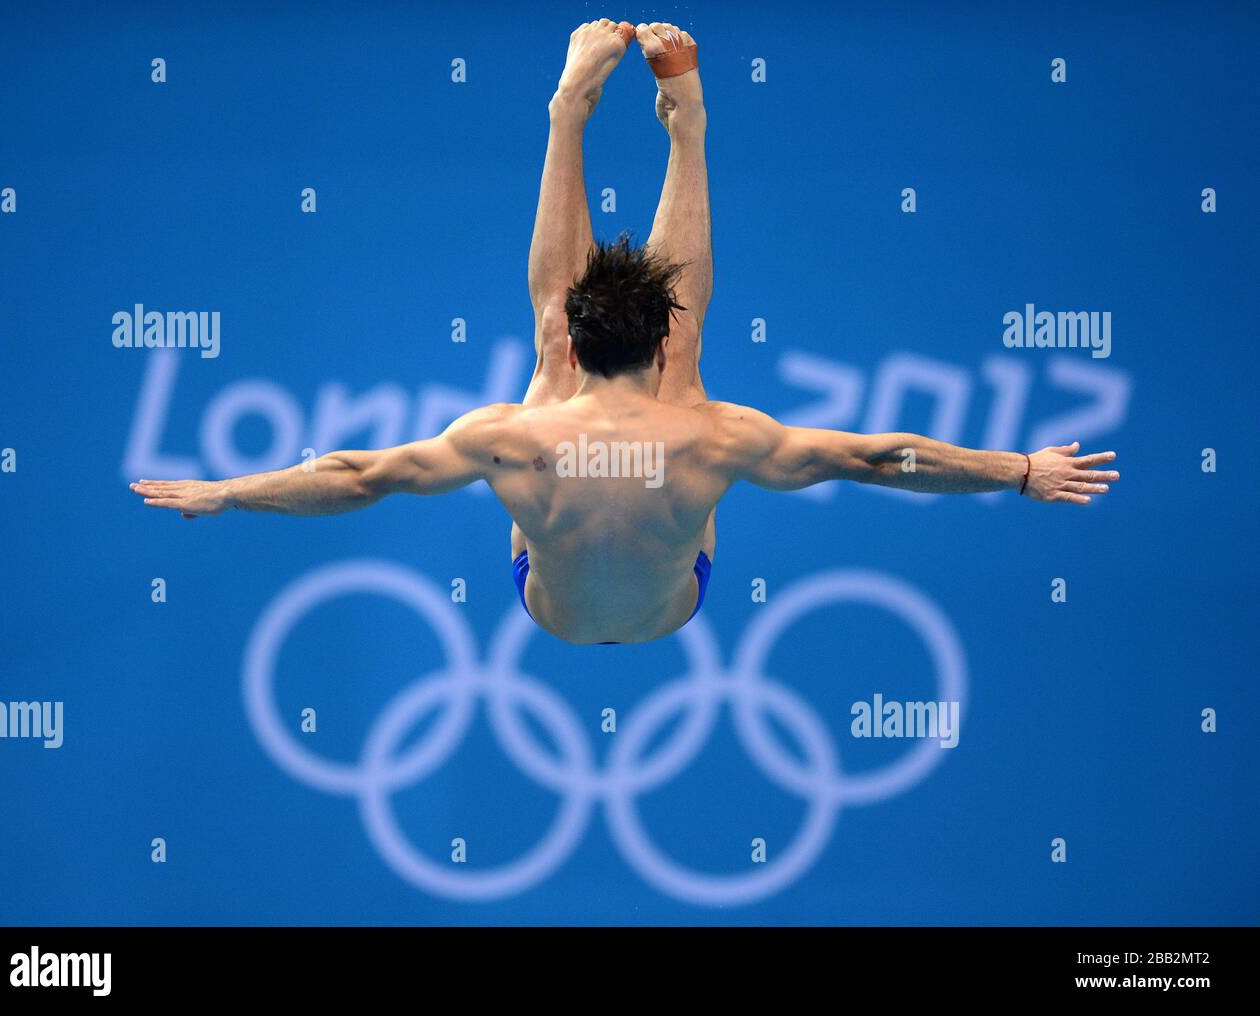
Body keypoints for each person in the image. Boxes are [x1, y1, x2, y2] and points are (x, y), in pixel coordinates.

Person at [130, 20, 1120, 644]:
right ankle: (681, 123)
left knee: (559, 374)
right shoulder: (715, 433)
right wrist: (1014, 467)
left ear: (581, 332)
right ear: (651, 339)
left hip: (546, 601)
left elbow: (354, 475)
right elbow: (879, 456)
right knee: (681, 385)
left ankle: (571, 112)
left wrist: (227, 490)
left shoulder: (504, 438)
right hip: (671, 598)